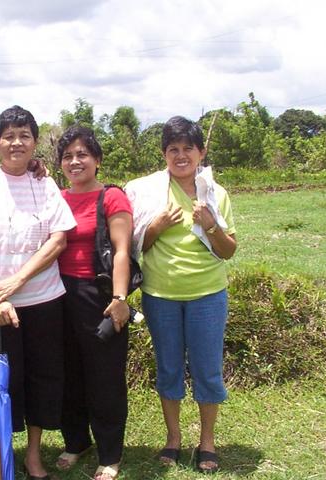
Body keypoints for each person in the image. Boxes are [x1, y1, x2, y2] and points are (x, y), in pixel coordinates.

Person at [0, 105, 77, 480]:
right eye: (9, 135)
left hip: (43, 300)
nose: (16, 142)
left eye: (24, 135)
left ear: (35, 142)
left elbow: (58, 240)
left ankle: (34, 457)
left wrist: (18, 281)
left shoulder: (45, 183)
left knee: (44, 378)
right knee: (0, 382)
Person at [125, 116, 237, 474]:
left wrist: (211, 225)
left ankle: (207, 441)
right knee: (169, 368)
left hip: (208, 296)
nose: (181, 155)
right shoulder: (149, 193)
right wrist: (156, 226)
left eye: (188, 148)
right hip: (160, 296)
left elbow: (228, 250)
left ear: (201, 152)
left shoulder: (216, 195)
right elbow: (134, 244)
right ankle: (173, 439)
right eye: (173, 149)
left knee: (207, 371)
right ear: (164, 155)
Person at [54, 126, 133, 480]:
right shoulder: (55, 197)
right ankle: (76, 441)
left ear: (97, 160)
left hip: (98, 295)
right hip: (57, 295)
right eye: (68, 156)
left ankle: (110, 454)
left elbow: (121, 251)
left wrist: (120, 299)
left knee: (105, 377)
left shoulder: (112, 197)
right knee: (67, 373)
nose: (75, 161)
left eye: (82, 154)